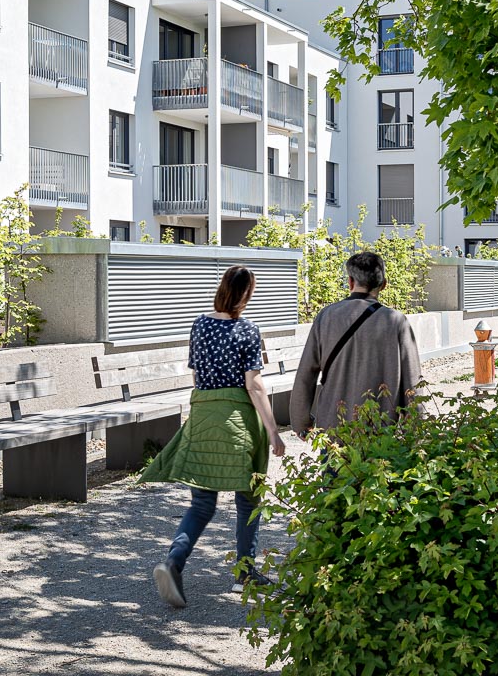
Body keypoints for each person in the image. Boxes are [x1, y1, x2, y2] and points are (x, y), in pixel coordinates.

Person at [141, 264, 286, 609]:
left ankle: (174, 562)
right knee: (248, 499)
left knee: (202, 503)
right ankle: (245, 572)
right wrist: (273, 431)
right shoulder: (248, 330)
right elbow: (253, 385)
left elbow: (195, 375)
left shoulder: (200, 325)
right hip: (237, 421)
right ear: (247, 294)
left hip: (203, 416)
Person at [288, 250, 422, 435]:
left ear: (350, 282)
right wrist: (416, 426)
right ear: (383, 285)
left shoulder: (327, 317)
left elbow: (306, 374)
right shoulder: (396, 321)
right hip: (381, 429)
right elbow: (412, 380)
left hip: (334, 427)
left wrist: (301, 422)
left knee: (334, 465)